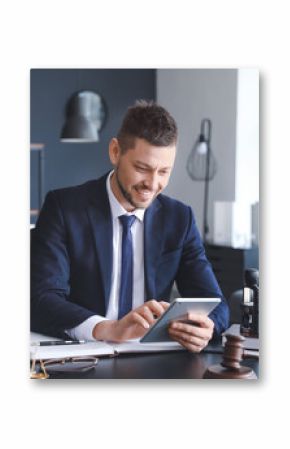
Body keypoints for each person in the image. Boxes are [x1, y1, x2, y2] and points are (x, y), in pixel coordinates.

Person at [31, 100, 229, 352]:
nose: (152, 184)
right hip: (87, 355)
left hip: (155, 360)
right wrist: (109, 328)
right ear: (115, 152)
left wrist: (207, 326)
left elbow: (217, 304)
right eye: (141, 168)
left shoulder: (179, 218)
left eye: (164, 171)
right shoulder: (63, 208)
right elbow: (41, 299)